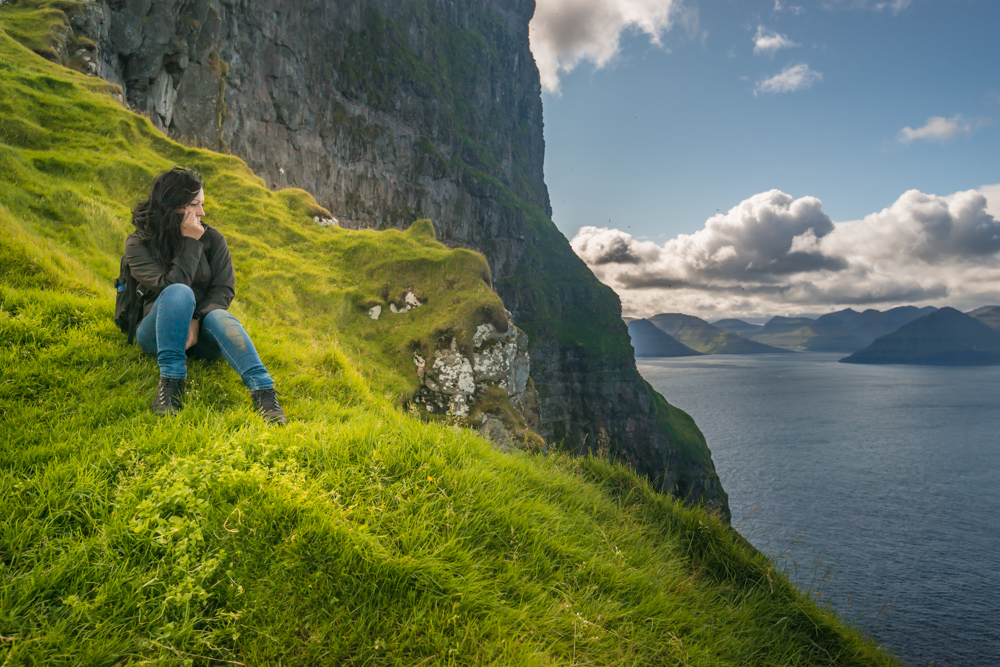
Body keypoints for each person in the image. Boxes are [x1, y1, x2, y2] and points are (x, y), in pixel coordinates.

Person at [125, 166, 286, 424]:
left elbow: (224, 289)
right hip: (157, 331)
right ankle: (171, 385)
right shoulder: (139, 243)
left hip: (202, 335)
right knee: (178, 292)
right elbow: (169, 285)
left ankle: (264, 393)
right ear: (172, 206)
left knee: (221, 316)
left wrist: (197, 320)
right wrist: (190, 242)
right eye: (194, 204)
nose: (202, 212)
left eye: (202, 204)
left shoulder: (213, 239)